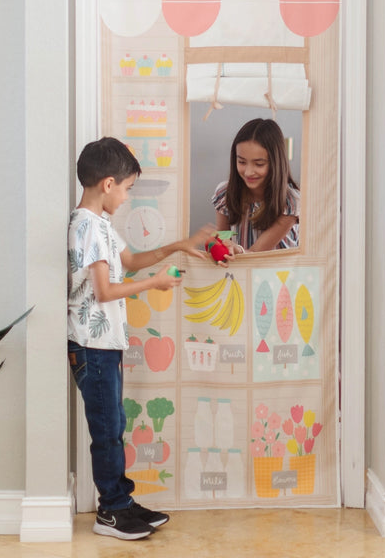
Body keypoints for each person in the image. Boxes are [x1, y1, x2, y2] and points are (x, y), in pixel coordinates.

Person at [68, 136, 212, 540]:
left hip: (104, 346)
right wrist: (156, 283)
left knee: (114, 425)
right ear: (108, 184)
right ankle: (111, 512)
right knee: (107, 429)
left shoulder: (101, 227)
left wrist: (178, 246)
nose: (128, 198)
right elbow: (105, 292)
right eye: (128, 189)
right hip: (90, 347)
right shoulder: (86, 228)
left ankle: (122, 502)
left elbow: (128, 262)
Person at [211, 118, 300, 257]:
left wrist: (235, 250)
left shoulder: (290, 201)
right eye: (241, 162)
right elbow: (223, 241)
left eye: (259, 164)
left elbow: (256, 254)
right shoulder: (224, 193)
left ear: (275, 163)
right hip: (240, 272)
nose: (248, 172)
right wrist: (217, 247)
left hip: (278, 275)